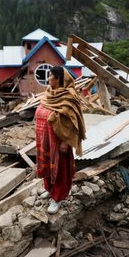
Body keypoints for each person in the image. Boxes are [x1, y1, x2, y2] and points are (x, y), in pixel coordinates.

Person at [35, 66, 86, 214]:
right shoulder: (49, 93)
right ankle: (50, 190)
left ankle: (57, 198)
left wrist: (66, 141)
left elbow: (73, 120)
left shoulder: (69, 96)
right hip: (45, 139)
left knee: (59, 168)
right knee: (46, 163)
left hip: (59, 141)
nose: (48, 78)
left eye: (50, 75)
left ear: (58, 79)